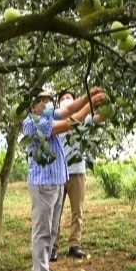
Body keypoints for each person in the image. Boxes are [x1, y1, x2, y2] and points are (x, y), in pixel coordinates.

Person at [23, 87, 105, 271]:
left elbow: (69, 110)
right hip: (43, 183)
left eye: (48, 100)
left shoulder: (47, 115)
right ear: (32, 106)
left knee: (51, 229)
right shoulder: (34, 122)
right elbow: (70, 122)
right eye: (42, 101)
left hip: (57, 180)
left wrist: (88, 94)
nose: (47, 103)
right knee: (42, 230)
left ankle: (43, 268)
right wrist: (91, 105)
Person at [51, 90, 104, 261]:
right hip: (58, 172)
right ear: (59, 105)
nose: (66, 100)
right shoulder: (55, 120)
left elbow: (100, 118)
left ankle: (74, 245)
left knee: (77, 211)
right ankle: (52, 246)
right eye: (63, 99)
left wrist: (103, 102)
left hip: (77, 171)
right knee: (55, 212)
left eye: (69, 98)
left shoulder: (84, 119)